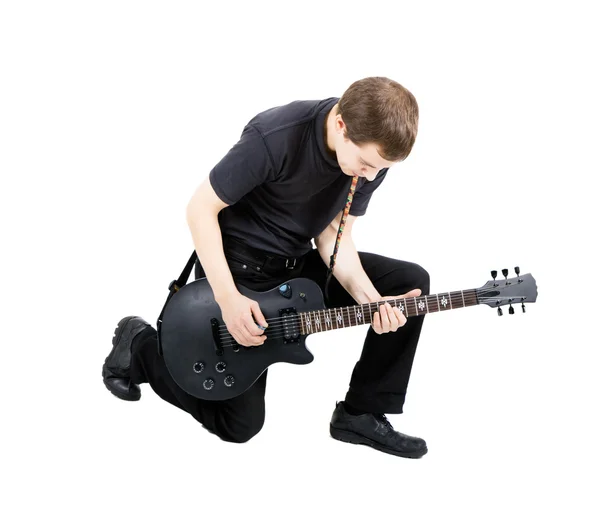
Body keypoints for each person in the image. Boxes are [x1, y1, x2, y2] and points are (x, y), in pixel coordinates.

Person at [102, 77, 431, 458]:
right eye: (367, 163)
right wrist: (228, 300)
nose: (370, 175)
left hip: (293, 267)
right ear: (341, 125)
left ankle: (361, 413)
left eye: (381, 168)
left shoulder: (371, 157)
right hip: (236, 272)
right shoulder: (276, 135)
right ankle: (140, 346)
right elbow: (199, 209)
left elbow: (331, 237)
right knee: (239, 425)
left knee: (410, 284)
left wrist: (372, 303)